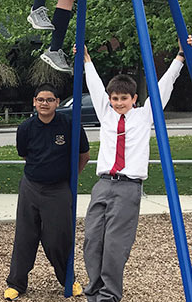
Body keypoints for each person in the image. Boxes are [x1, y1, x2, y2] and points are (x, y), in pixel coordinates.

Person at [80, 36, 191, 302]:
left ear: (134, 98)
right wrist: (85, 59)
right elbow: (94, 84)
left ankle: (109, 294)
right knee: (92, 240)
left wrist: (179, 58)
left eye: (124, 98)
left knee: (116, 245)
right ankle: (93, 289)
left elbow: (163, 87)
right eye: (115, 98)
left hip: (128, 186)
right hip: (103, 184)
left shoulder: (144, 115)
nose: (118, 103)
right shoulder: (106, 113)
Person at [4, 83, 90, 301]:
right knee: (25, 236)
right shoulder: (25, 128)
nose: (45, 103)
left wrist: (70, 177)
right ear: (34, 102)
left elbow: (84, 155)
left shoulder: (70, 125)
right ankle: (16, 284)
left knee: (57, 239)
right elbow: (24, 154)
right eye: (40, 100)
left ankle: (68, 279)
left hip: (58, 190)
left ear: (57, 103)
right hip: (31, 186)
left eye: (49, 100)